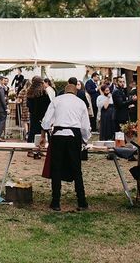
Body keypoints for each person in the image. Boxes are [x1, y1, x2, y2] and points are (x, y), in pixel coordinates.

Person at [39, 83, 90, 211]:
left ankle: (55, 202)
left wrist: (45, 132)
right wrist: (84, 140)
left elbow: (46, 121)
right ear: (75, 92)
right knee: (76, 169)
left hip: (58, 135)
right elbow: (85, 127)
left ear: (64, 92)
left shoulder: (57, 100)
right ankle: (82, 201)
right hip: (74, 136)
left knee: (56, 168)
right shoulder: (80, 103)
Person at [26, 76, 51, 150]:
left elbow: (28, 105)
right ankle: (41, 149)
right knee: (43, 133)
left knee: (32, 132)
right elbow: (48, 105)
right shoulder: (43, 93)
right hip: (42, 116)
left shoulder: (29, 92)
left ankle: (29, 149)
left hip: (33, 115)